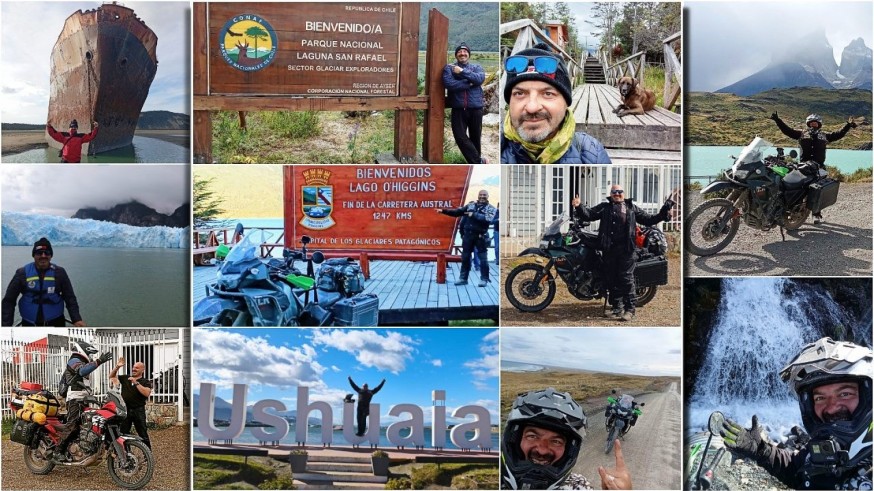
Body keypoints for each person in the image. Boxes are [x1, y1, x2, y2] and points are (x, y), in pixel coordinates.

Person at [720, 337, 872, 490]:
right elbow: (796, 469)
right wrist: (760, 450)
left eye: (845, 394)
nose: (831, 408)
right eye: (820, 398)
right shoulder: (822, 451)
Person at [572, 186, 674, 321]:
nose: (617, 194)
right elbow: (589, 215)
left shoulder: (631, 207)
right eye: (614, 192)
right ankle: (617, 308)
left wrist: (664, 211)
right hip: (609, 249)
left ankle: (630, 310)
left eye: (619, 192)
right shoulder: (604, 207)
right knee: (611, 278)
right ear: (610, 194)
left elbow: (649, 219)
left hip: (627, 250)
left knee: (626, 278)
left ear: (623, 194)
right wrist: (579, 206)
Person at [502, 388, 632, 490]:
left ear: (569, 450)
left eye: (556, 441)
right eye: (532, 436)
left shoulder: (578, 485)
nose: (542, 450)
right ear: (514, 440)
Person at [501, 43, 611, 164]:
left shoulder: (593, 154)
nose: (532, 107)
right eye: (520, 93)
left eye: (548, 94)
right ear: (509, 102)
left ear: (566, 102)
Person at [770, 112, 856, 224]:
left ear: (819, 124)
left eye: (815, 123)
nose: (813, 125)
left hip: (818, 167)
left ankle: (816, 214)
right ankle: (794, 210)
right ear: (808, 124)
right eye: (811, 123)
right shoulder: (802, 134)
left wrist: (848, 126)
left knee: (818, 190)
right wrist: (778, 120)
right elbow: (787, 131)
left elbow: (838, 134)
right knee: (796, 187)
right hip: (803, 167)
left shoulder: (824, 136)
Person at [2, 237, 85, 327]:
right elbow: (9, 301)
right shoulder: (22, 273)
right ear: (34, 255)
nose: (43, 256)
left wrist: (76, 319)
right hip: (30, 325)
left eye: (47, 253)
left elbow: (70, 298)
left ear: (51, 255)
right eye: (39, 253)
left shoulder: (60, 272)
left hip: (56, 323)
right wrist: (6, 326)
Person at [56, 340, 114, 461]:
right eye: (89, 354)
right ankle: (58, 451)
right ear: (82, 350)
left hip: (83, 398)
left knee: (85, 425)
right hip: (74, 398)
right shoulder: (74, 360)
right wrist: (99, 361)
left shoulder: (83, 362)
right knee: (72, 425)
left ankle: (81, 449)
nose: (90, 356)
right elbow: (82, 371)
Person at [438, 190, 498, 287]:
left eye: (484, 195)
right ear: (478, 196)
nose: (482, 196)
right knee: (465, 258)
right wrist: (443, 211)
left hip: (480, 236)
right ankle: (463, 278)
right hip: (468, 236)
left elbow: (487, 219)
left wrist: (473, 214)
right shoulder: (470, 205)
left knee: (483, 259)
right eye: (480, 195)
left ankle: (484, 279)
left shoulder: (491, 208)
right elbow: (457, 212)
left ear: (488, 196)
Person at [443, 43, 487, 164]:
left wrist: (462, 72)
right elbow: (449, 84)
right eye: (459, 52)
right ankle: (479, 161)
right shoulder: (449, 68)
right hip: (458, 108)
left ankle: (476, 164)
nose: (462, 53)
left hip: (476, 108)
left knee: (475, 137)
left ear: (469, 54)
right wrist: (469, 83)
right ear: (456, 55)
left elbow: (479, 79)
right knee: (460, 137)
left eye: (465, 52)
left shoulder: (477, 67)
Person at [110, 358, 153, 449]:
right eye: (133, 367)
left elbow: (146, 393)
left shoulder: (145, 382)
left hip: (138, 410)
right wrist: (117, 367)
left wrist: (136, 382)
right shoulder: (126, 378)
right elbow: (111, 376)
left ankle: (148, 453)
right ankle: (126, 453)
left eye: (137, 368)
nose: (134, 369)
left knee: (142, 433)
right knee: (123, 433)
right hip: (126, 410)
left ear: (142, 370)